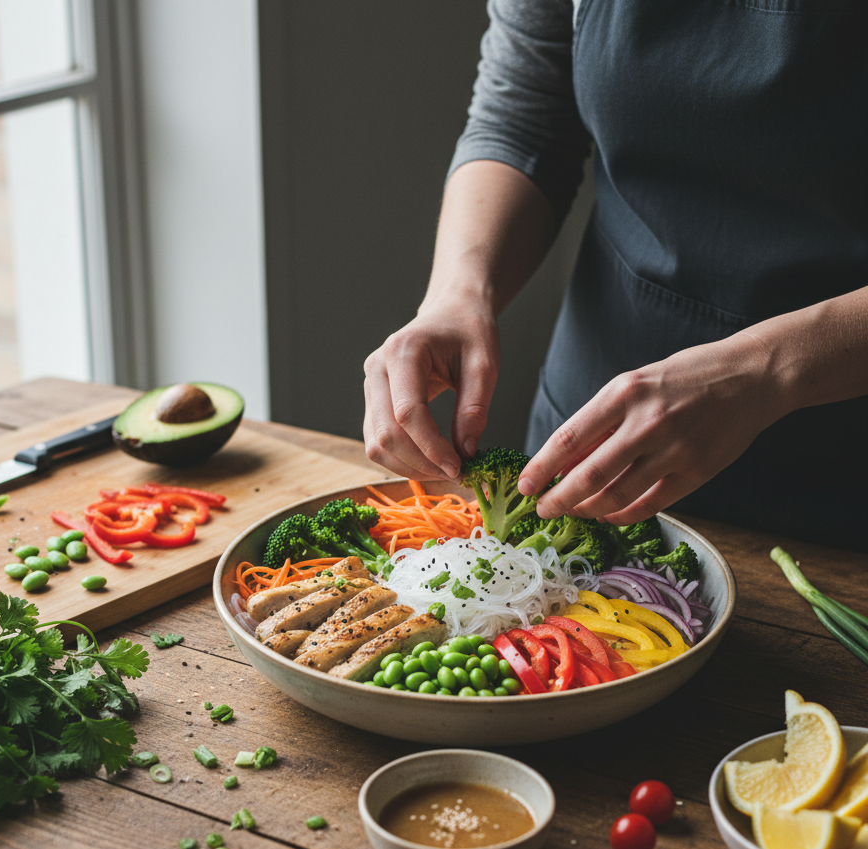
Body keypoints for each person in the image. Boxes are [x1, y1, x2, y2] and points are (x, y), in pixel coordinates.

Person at [362, 0, 868, 550]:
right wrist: (458, 292)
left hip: (845, 472)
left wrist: (763, 371)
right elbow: (524, 118)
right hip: (592, 428)